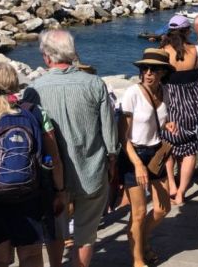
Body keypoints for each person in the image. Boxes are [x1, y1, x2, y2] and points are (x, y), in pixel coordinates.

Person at [23, 30, 118, 267]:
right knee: (86, 235)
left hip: (51, 179)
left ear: (46, 57)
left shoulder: (34, 90)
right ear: (73, 52)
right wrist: (112, 162)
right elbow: (110, 135)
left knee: (55, 230)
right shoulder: (95, 84)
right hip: (92, 171)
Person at [0, 63, 62, 267]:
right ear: (16, 84)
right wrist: (59, 190)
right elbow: (52, 156)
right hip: (29, 196)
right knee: (31, 257)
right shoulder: (34, 112)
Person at [118, 49, 178, 267]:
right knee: (139, 212)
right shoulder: (133, 93)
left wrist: (167, 124)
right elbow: (122, 136)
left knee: (163, 208)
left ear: (163, 72)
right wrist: (137, 165)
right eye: (144, 68)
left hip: (155, 152)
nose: (148, 72)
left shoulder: (165, 91)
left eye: (154, 69)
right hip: (134, 154)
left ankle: (140, 238)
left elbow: (157, 119)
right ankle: (138, 259)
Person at [159, 15, 198, 206]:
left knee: (168, 145)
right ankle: (181, 192)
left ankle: (172, 185)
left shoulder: (163, 52)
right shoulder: (196, 50)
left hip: (170, 103)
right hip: (194, 105)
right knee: (190, 150)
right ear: (188, 31)